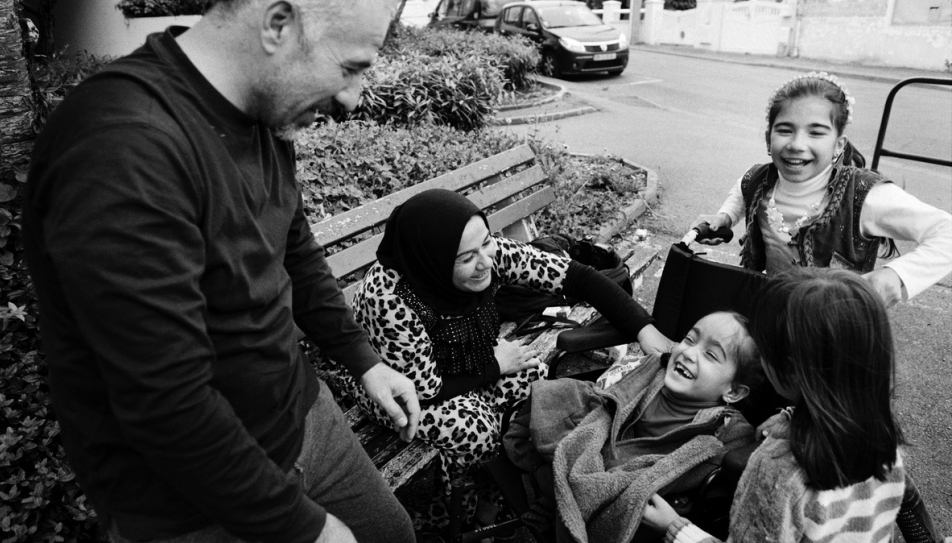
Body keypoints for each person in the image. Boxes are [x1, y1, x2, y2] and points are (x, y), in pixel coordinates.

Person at [22, 1, 421, 542]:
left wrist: (362, 359)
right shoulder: (121, 146)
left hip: (305, 420)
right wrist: (303, 528)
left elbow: (292, 248)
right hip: (191, 502)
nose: (352, 98)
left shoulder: (260, 111)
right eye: (350, 67)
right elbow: (166, 400)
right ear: (279, 24)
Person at [330, 188, 674, 530]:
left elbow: (578, 277)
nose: (485, 262)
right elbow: (423, 391)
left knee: (536, 387)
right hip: (395, 384)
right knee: (477, 431)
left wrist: (644, 329)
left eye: (486, 241)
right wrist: (495, 366)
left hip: (463, 361)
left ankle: (493, 495)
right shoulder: (390, 299)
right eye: (465, 258)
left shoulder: (487, 253)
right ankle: (455, 514)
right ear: (430, 261)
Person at [644, 269, 907, 542]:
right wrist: (792, 416)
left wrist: (675, 528)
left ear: (791, 370)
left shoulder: (778, 473)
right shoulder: (885, 440)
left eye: (765, 348)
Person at [691, 71, 952, 308]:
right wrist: (723, 217)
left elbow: (947, 233)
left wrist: (898, 276)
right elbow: (741, 190)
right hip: (770, 307)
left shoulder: (863, 195)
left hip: (833, 328)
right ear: (768, 137)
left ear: (838, 145)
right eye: (785, 130)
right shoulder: (759, 178)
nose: (796, 144)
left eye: (816, 133)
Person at [503, 311, 763, 542]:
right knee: (559, 398)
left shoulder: (725, 435)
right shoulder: (648, 369)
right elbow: (606, 401)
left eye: (710, 355)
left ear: (734, 391)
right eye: (689, 339)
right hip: (601, 443)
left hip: (635, 487)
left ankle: (552, 490)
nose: (688, 352)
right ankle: (554, 491)